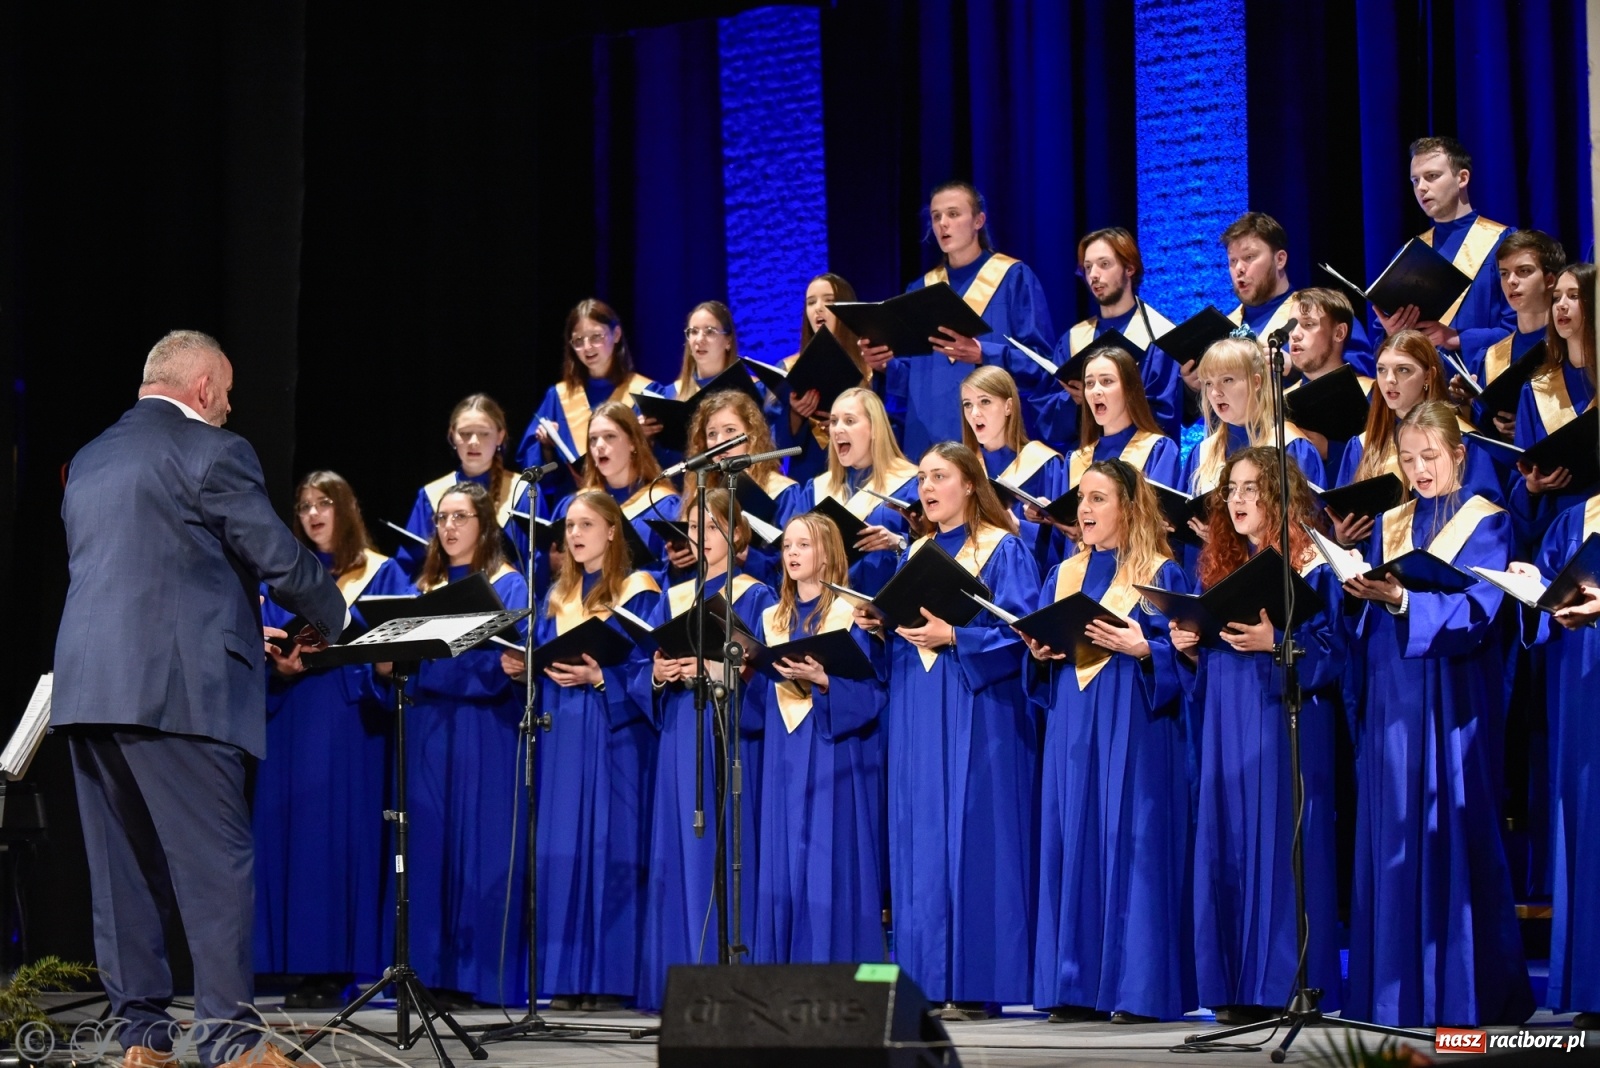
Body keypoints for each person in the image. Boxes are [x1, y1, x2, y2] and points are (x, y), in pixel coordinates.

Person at [55, 331, 345, 1068]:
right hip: (177, 694)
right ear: (205, 387)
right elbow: (275, 556)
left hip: (90, 689)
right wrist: (332, 616)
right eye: (229, 392)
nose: (230, 406)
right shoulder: (215, 451)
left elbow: (155, 573)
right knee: (215, 866)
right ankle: (230, 1042)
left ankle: (141, 1040)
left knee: (120, 873)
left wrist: (252, 631)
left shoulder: (89, 459)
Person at [1342, 401, 1534, 1028]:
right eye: (1407, 458)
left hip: (1454, 695)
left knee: (1450, 828)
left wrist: (1404, 599)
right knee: (1393, 826)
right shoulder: (1392, 521)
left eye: (1431, 457)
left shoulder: (1487, 522)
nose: (1419, 470)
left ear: (1458, 455)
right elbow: (1373, 613)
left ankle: (1463, 992)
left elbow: (1482, 610)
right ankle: (1393, 995)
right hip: (1393, 689)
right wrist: (1360, 589)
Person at [854, 442, 1040, 1020]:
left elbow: (1022, 634)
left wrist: (959, 637)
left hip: (976, 711)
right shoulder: (917, 554)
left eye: (940, 476)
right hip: (917, 703)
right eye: (923, 478)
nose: (928, 488)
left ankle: (977, 982)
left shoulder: (1003, 550)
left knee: (973, 836)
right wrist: (880, 627)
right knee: (920, 840)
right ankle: (926, 982)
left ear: (970, 484)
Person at [1169, 447, 1345, 1025]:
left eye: (1251, 489)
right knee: (1229, 840)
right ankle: (1234, 986)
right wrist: (1190, 647)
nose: (1238, 500)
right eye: (1232, 490)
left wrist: (1278, 643)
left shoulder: (1313, 566)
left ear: (1280, 497)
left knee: (1279, 841)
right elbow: (1211, 656)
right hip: (1227, 718)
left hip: (1284, 713)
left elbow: (1336, 653)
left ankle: (1289, 983)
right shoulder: (1220, 568)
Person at [1022, 460, 1192, 1023]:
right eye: (1083, 500)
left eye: (1100, 499)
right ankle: (1072, 986)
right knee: (1073, 839)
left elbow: (1191, 656)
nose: (1086, 511)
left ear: (1129, 507)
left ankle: (1135, 990)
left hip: (1136, 724)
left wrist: (1147, 650)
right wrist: (1041, 654)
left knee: (1130, 841)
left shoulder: (1161, 575)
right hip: (1073, 721)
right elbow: (1045, 659)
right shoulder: (1061, 576)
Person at [253, 472, 411, 1001]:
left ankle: (338, 967)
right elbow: (269, 638)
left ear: (347, 510)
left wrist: (378, 667)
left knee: (340, 840)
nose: (313, 515)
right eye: (303, 507)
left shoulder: (382, 573)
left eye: (324, 504)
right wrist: (280, 664)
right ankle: (293, 963)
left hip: (349, 722)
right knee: (292, 839)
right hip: (292, 716)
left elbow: (398, 644)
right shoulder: (285, 576)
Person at [501, 490, 660, 1011]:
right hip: (561, 730)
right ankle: (567, 978)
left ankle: (611, 980)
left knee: (611, 844)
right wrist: (524, 666)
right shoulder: (555, 595)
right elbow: (542, 654)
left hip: (615, 731)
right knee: (564, 847)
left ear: (613, 531)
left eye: (586, 524)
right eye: (570, 525)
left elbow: (650, 666)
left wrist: (601, 677)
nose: (574, 534)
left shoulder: (639, 591)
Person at [378, 481, 531, 1006]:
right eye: (442, 517)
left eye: (461, 517)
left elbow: (507, 662)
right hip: (428, 729)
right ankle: (427, 973)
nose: (449, 527)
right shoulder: (425, 586)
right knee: (429, 850)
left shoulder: (507, 585)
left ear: (484, 526)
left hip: (484, 729)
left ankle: (478, 980)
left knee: (479, 850)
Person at [633, 490, 777, 1010]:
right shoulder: (670, 596)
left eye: (712, 527)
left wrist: (715, 669)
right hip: (679, 727)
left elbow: (762, 668)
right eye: (692, 528)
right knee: (680, 845)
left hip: (726, 729)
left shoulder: (755, 594)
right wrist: (658, 671)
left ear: (738, 534)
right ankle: (683, 977)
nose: (700, 537)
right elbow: (637, 667)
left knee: (725, 844)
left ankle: (730, 977)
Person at [746, 512, 886, 965]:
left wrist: (825, 680)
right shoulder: (771, 618)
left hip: (834, 750)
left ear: (827, 553)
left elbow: (873, 692)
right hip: (783, 752)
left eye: (803, 545)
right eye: (787, 545)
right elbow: (755, 699)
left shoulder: (852, 614)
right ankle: (784, 969)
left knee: (831, 857)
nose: (792, 553)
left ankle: (839, 968)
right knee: (783, 859)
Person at [868, 181, 1056, 459]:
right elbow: (914, 378)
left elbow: (1042, 366)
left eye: (953, 214)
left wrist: (983, 353)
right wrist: (885, 366)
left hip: (994, 445)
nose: (943, 223)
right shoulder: (919, 290)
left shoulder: (1013, 278)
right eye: (936, 216)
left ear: (979, 220)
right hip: (928, 444)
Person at [1508, 493, 1600, 1030]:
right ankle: (1592, 986)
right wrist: (1534, 590)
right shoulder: (1576, 517)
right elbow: (1548, 609)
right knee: (1587, 828)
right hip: (1582, 691)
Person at [1332, 330, 1502, 547]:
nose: (1390, 380)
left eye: (1403, 370)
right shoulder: (1363, 446)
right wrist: (1343, 538)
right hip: (1374, 568)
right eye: (1382, 370)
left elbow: (1486, 514)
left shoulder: (1464, 438)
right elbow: (1341, 519)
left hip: (1447, 564)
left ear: (1428, 376)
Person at [1034, 227, 1184, 442]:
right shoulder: (1073, 340)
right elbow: (1046, 416)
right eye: (1087, 267)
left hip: (1142, 466)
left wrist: (1107, 399)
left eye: (1104, 264)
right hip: (1085, 464)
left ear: (1129, 268)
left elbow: (1164, 415)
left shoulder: (1159, 337)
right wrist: (1074, 402)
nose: (1093, 275)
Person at [1371, 136, 1515, 358]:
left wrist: (1456, 338)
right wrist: (1393, 334)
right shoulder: (1410, 254)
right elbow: (1381, 345)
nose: (1422, 188)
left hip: (1484, 383)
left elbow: (1525, 328)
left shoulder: (1503, 242)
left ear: (1462, 178)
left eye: (1432, 176)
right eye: (1415, 181)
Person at [513, 298, 658, 505]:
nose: (587, 347)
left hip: (633, 503)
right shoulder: (558, 397)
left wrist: (643, 438)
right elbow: (537, 472)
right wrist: (546, 448)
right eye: (578, 341)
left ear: (616, 335)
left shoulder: (646, 392)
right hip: (575, 506)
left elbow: (664, 460)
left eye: (596, 337)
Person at [675, 389, 807, 588]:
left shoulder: (783, 492)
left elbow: (793, 563)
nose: (720, 442)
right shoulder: (700, 489)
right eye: (712, 434)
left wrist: (746, 555)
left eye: (730, 431)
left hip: (760, 597)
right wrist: (679, 559)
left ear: (751, 435)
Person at [1507, 263, 1598, 550]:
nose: (1561, 305)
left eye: (1574, 296)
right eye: (1557, 297)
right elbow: (1519, 478)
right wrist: (1533, 486)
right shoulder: (1537, 390)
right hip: (1559, 533)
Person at [1180, 337, 1325, 509]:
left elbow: (1311, 519)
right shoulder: (1203, 453)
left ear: (1256, 382)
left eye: (1227, 380)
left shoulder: (1291, 446)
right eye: (1209, 383)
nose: (1215, 392)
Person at [1222, 212, 1374, 376]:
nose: (1239, 269)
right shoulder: (1224, 328)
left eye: (1249, 257)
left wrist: (1298, 369)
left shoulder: (1323, 312)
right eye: (1233, 261)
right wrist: (1192, 387)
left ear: (1280, 259)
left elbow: (1363, 378)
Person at [806, 387, 921, 595]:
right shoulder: (815, 489)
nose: (837, 429)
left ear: (875, 429)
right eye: (833, 422)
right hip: (829, 611)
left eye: (849, 421)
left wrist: (899, 542)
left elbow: (935, 550)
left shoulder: (911, 484)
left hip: (888, 609)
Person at [1451, 230, 1565, 435]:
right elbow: (1479, 432)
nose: (1511, 281)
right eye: (1504, 273)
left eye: (1523, 271)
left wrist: (1528, 430)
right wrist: (1466, 402)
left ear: (1550, 280)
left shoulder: (1570, 350)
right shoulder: (1490, 357)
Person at [395, 394, 520, 578]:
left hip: (504, 599)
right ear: (452, 435)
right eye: (465, 433)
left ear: (500, 436)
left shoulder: (523, 492)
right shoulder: (431, 495)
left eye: (484, 433)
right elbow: (408, 566)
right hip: (443, 598)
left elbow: (535, 567)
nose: (473, 442)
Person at [554, 400, 680, 576]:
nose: (599, 446)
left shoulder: (664, 507)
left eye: (609, 436)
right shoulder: (574, 506)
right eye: (593, 439)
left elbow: (675, 580)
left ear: (633, 443)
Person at [959, 365, 1066, 571]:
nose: (974, 413)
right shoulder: (964, 468)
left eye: (985, 401)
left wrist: (1020, 528)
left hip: (1025, 580)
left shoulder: (1044, 463)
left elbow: (1064, 543)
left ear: (1008, 407)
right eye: (967, 405)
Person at [776, 273, 872, 484]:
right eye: (811, 303)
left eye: (828, 301)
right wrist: (796, 414)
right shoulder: (789, 368)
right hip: (808, 472)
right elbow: (779, 446)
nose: (818, 308)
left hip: (863, 473)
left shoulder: (871, 367)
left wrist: (847, 422)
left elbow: (892, 427)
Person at [1285, 288, 1374, 476]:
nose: (1294, 334)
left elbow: (1388, 459)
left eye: (1308, 324)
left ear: (1339, 333)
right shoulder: (1280, 402)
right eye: (1292, 325)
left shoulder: (1373, 393)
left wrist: (1330, 450)